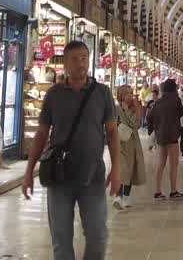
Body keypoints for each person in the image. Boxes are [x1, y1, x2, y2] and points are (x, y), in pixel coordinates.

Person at [23, 40, 120, 260]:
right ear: (65, 63)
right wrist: (29, 172)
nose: (81, 64)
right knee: (61, 239)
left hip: (92, 175)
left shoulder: (102, 93)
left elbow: (112, 133)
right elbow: (41, 134)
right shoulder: (54, 95)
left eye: (84, 58)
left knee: (97, 235)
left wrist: (116, 170)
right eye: (75, 59)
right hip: (60, 176)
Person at [149, 78, 183, 200]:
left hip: (161, 135)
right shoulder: (176, 100)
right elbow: (181, 113)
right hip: (172, 134)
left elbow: (151, 116)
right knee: (173, 164)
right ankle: (173, 191)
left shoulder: (158, 102)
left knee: (161, 163)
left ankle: (157, 191)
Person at [113, 84, 146, 210]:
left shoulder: (135, 107)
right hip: (119, 143)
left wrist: (128, 110)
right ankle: (118, 197)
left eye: (131, 93)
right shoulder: (115, 108)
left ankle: (126, 197)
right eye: (126, 93)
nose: (129, 96)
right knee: (121, 169)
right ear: (121, 94)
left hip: (132, 143)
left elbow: (136, 124)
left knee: (131, 170)